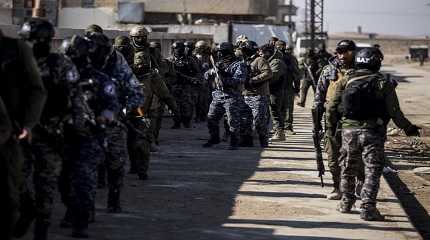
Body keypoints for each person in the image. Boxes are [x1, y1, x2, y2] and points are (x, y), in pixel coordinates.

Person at [327, 47, 421, 221]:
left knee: (347, 168)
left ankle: (346, 203)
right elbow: (394, 111)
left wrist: (332, 129)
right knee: (372, 170)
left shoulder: (346, 79)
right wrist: (409, 128)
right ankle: (368, 208)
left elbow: (332, 107)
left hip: (348, 131)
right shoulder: (383, 82)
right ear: (376, 62)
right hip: (373, 132)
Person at [16, 18, 81, 240]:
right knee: (17, 182)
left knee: (48, 184)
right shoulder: (12, 63)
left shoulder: (60, 65)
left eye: (38, 40)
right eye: (28, 40)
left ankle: (43, 228)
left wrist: (75, 129)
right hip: (19, 134)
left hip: (51, 134)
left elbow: (75, 99)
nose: (33, 45)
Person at [0, 29, 46, 240]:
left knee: (10, 195)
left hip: (9, 134)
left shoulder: (16, 49)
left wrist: (28, 124)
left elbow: (37, 90)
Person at [313, 40, 358, 200]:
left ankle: (357, 185)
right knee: (332, 154)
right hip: (331, 119)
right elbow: (319, 96)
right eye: (339, 51)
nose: (342, 55)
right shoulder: (328, 70)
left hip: (355, 119)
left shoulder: (361, 70)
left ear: (353, 52)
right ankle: (337, 187)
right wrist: (317, 121)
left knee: (354, 155)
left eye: (346, 51)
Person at [131, 51, 178, 180]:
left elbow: (165, 94)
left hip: (142, 112)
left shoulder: (152, 76)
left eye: (143, 63)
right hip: (125, 111)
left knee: (143, 142)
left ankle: (142, 169)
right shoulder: (126, 74)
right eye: (138, 63)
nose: (140, 67)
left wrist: (174, 109)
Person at [203, 42, 248, 150]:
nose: (219, 54)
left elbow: (239, 80)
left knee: (232, 121)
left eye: (221, 52)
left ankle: (234, 141)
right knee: (211, 118)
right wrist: (211, 72)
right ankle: (214, 138)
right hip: (217, 95)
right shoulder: (219, 63)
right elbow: (205, 76)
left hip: (232, 96)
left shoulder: (239, 64)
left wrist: (224, 77)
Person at [242, 43, 273, 147]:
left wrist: (253, 80)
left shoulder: (260, 60)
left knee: (259, 120)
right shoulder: (244, 61)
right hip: (246, 94)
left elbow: (268, 73)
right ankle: (247, 141)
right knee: (246, 119)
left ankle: (263, 140)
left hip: (259, 95)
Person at [165, 41, 202, 128]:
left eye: (180, 49)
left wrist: (193, 79)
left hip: (186, 86)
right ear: (173, 49)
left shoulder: (190, 60)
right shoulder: (169, 60)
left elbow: (197, 72)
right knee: (174, 106)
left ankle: (186, 122)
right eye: (176, 49)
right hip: (174, 86)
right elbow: (165, 73)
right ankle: (176, 122)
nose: (178, 50)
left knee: (187, 105)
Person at [275, 41, 300, 135]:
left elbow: (296, 73)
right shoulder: (274, 57)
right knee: (277, 107)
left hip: (287, 86)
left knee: (287, 107)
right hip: (277, 86)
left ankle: (287, 126)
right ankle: (279, 127)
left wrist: (297, 87)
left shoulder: (290, 58)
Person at [267, 42, 288, 141]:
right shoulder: (273, 60)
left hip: (276, 90)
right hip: (273, 90)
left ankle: (280, 133)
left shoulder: (277, 62)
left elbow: (273, 77)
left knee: (275, 111)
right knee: (273, 111)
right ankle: (278, 132)